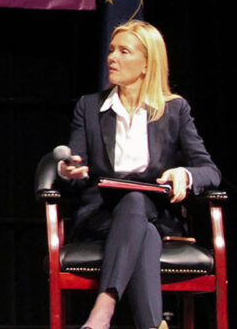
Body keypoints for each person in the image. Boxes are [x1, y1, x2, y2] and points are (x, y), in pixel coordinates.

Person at [55, 20, 221, 329]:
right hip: (103, 217)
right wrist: (70, 170)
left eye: (123, 51)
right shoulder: (89, 107)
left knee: (138, 204)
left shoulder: (174, 110)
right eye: (111, 50)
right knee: (139, 220)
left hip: (159, 214)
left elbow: (210, 171)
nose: (112, 58)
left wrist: (185, 173)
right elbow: (74, 164)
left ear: (146, 64)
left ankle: (103, 310)